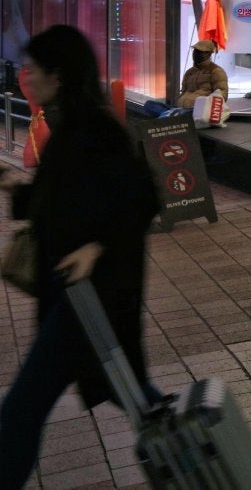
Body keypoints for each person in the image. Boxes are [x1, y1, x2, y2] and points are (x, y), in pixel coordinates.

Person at [0, 26, 161, 489]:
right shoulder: (67, 125)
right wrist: (17, 189)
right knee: (126, 390)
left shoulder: (94, 128)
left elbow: (142, 198)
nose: (25, 77)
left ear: (59, 74)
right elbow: (69, 198)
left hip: (89, 299)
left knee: (21, 408)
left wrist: (95, 247)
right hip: (74, 298)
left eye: (34, 69)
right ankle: (194, 448)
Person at [177, 39, 229, 108]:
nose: (196, 54)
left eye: (200, 52)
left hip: (201, 113)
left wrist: (206, 107)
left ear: (209, 54)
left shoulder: (216, 71)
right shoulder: (189, 72)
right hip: (182, 110)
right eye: (195, 51)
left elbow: (222, 94)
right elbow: (183, 92)